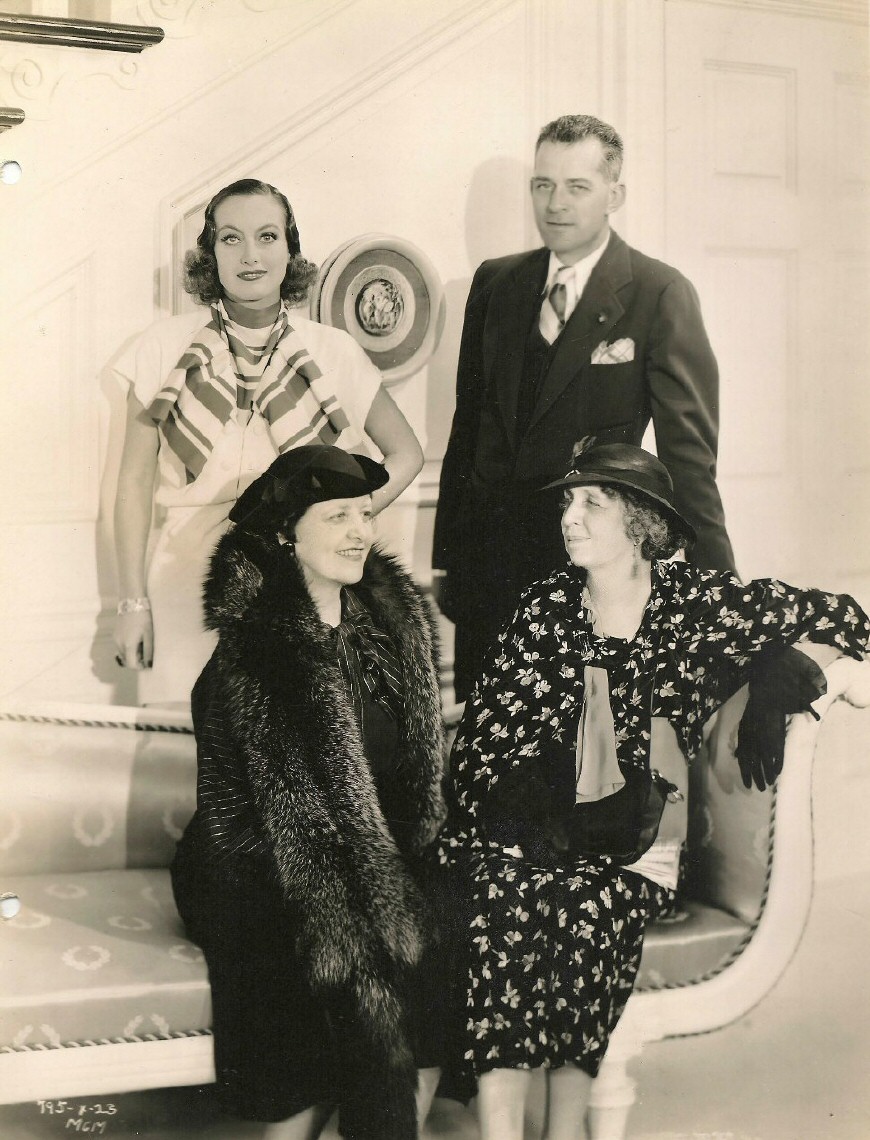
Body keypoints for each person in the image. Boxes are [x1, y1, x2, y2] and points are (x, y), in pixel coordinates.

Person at [436, 443, 869, 1140]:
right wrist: (535, 801)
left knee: (591, 906)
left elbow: (847, 615)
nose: (569, 519)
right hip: (528, 829)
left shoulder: (695, 605)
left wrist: (782, 672)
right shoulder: (544, 608)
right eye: (567, 504)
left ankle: (565, 1131)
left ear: (641, 525)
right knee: (506, 895)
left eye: (590, 505)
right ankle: (500, 1133)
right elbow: (482, 744)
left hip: (636, 842)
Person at [170, 445, 447, 1140]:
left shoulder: (390, 629)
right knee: (330, 957)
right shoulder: (248, 656)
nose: (361, 530)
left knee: (454, 928)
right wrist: (352, 898)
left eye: (364, 514)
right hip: (254, 865)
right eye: (337, 517)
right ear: (287, 535)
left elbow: (414, 787)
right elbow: (236, 825)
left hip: (370, 852)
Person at [433, 114, 734, 701]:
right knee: (489, 764)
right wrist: (450, 559)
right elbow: (467, 428)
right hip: (491, 573)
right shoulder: (494, 283)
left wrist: (717, 596)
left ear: (614, 195)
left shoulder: (658, 293)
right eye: (543, 185)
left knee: (580, 768)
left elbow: (689, 465)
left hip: (589, 571)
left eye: (578, 187)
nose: (556, 204)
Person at [113, 177, 423, 705]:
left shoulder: (334, 350)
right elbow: (134, 483)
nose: (250, 255)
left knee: (288, 765)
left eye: (267, 236)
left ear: (290, 248)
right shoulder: (160, 347)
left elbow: (408, 454)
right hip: (185, 581)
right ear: (210, 254)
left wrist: (340, 517)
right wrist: (132, 604)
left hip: (297, 584)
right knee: (189, 757)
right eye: (230, 238)